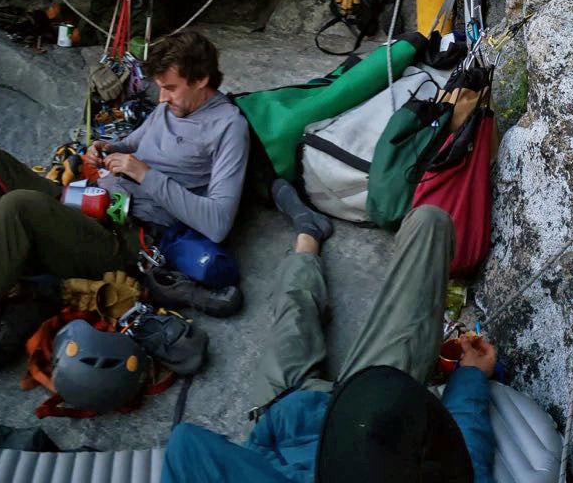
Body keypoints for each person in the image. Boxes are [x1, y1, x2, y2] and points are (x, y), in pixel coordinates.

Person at [0, 31, 250, 400]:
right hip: (87, 202)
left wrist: (144, 174)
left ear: (201, 80)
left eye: (170, 88)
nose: (161, 98)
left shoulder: (227, 128)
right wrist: (104, 147)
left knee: (18, 206)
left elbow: (217, 222)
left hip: (123, 238)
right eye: (160, 87)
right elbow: (135, 142)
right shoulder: (169, 107)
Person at [159, 196, 498, 481]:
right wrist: (469, 377)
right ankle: (307, 238)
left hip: (286, 418)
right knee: (430, 224)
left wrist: (264, 443)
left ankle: (307, 239)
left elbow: (186, 446)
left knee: (294, 314)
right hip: (372, 416)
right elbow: (463, 458)